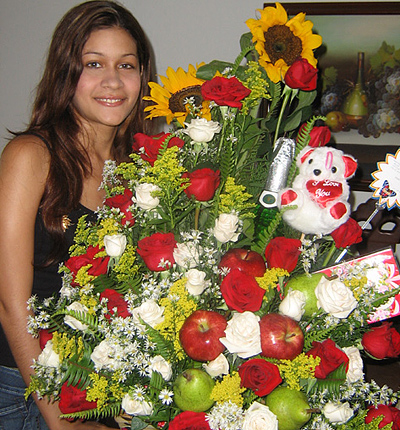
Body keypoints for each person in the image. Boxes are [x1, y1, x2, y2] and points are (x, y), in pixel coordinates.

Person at [0, 1, 152, 429]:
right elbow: (11, 304)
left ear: (142, 75)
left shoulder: (139, 168)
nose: (112, 80)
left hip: (94, 387)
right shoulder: (31, 156)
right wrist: (60, 419)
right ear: (67, 72)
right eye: (93, 63)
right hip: (20, 389)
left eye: (126, 64)